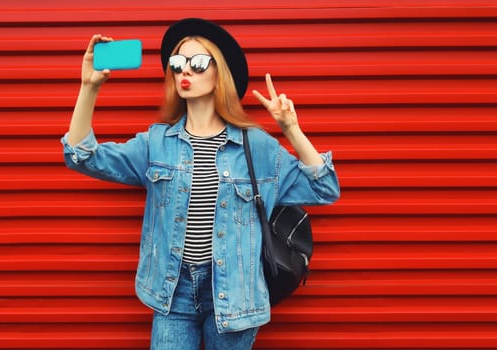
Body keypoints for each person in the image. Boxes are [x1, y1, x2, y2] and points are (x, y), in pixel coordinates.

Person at [62, 17, 340, 350]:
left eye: (197, 63)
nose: (184, 72)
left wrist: (291, 128)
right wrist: (89, 87)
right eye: (177, 64)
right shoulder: (156, 142)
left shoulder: (256, 145)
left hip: (235, 296)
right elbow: (83, 156)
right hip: (172, 293)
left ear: (219, 72)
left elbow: (325, 189)